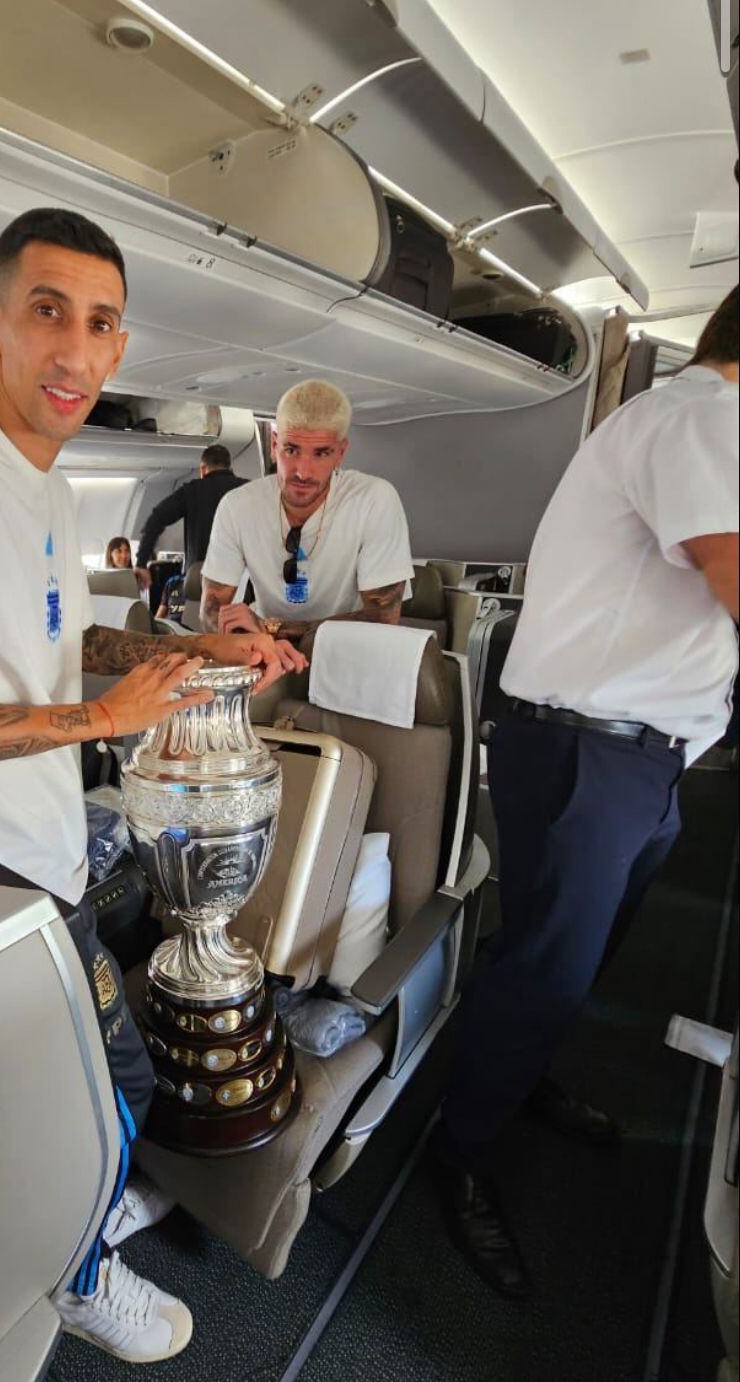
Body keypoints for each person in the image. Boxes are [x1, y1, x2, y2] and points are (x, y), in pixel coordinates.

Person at [0, 206, 305, 1364]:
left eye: (100, 323)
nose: (74, 349)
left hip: (42, 839)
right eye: (46, 312)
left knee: (92, 1085)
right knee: (117, 1084)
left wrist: (196, 653)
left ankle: (76, 1218)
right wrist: (104, 722)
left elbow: (56, 657)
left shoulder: (47, 487)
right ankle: (81, 1272)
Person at [432, 286, 740, 1300]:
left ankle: (513, 1076)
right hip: (585, 756)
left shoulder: (700, 426)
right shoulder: (698, 417)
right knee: (546, 968)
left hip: (634, 759)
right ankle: (461, 1152)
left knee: (575, 960)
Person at [199, 380, 413, 642]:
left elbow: (383, 618)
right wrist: (249, 635)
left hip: (350, 654)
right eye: (291, 450)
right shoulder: (237, 506)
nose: (302, 471)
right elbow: (211, 612)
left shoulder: (373, 500)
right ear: (274, 445)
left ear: (340, 453)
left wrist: (270, 628)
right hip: (266, 656)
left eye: (321, 453)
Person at [133, 443, 246, 588]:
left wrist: (141, 562)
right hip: (239, 578)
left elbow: (156, 518)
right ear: (231, 469)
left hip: (200, 579)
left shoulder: (191, 491)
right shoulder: (247, 490)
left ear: (203, 469)